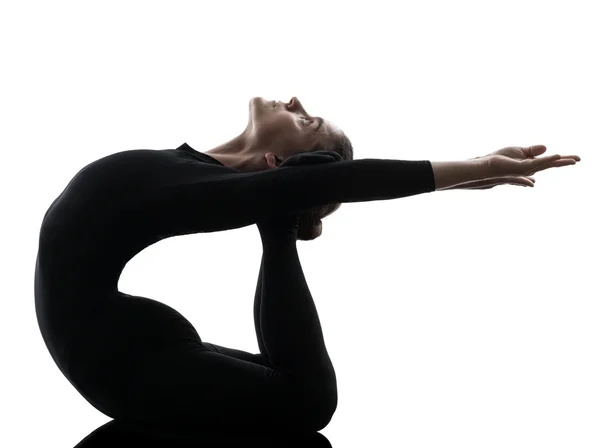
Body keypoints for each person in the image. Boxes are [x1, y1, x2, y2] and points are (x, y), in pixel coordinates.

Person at [34, 96, 580, 438]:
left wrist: (479, 167)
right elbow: (320, 181)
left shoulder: (216, 189)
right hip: (126, 354)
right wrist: (287, 193)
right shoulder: (189, 174)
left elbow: (342, 179)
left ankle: (279, 219)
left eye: (307, 119)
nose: (295, 100)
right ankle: (279, 216)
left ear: (278, 167)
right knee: (300, 393)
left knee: (308, 400)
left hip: (128, 362)